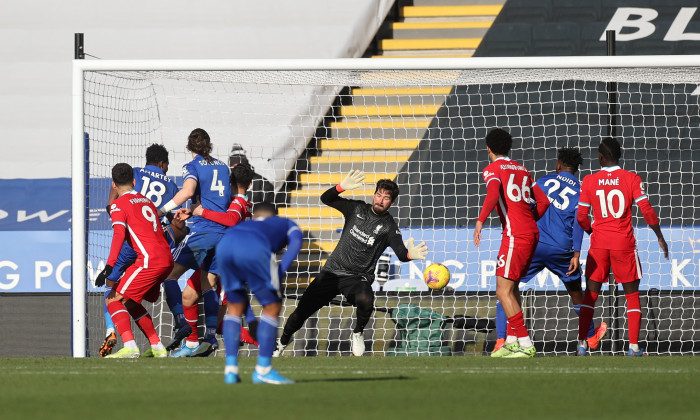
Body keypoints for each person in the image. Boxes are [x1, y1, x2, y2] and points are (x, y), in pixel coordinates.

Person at [275, 170, 428, 357]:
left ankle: (357, 333)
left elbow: (402, 254)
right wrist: (340, 187)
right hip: (331, 272)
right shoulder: (357, 209)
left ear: (392, 203)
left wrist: (409, 255)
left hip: (357, 277)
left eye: (385, 198)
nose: (380, 200)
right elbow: (326, 198)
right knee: (300, 314)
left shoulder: (389, 227)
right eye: (378, 195)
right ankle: (282, 342)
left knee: (366, 300)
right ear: (374, 195)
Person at [491, 148, 607, 357]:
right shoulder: (581, 191)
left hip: (534, 244)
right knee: (577, 294)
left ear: (559, 165)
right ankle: (589, 337)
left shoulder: (543, 181)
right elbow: (580, 222)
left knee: (508, 289)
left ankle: (502, 340)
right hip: (562, 249)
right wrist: (576, 253)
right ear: (576, 169)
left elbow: (527, 206)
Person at [576, 137, 668, 356]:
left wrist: (593, 232)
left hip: (598, 246)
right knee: (631, 294)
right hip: (623, 244)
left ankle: (582, 344)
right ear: (619, 156)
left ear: (600, 157)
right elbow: (646, 210)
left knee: (590, 294)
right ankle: (633, 347)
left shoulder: (590, 180)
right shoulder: (631, 179)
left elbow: (580, 217)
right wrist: (659, 236)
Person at [98, 144, 185, 357]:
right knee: (131, 300)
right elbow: (167, 228)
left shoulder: (120, 205)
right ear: (134, 183)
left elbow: (119, 235)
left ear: (114, 184)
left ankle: (128, 345)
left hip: (145, 259)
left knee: (112, 298)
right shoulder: (146, 201)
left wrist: (109, 266)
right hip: (165, 257)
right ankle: (157, 347)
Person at [473, 128, 549, 358]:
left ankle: (526, 344)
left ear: (488, 148)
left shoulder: (493, 169)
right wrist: (529, 219)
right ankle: (513, 341)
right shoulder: (522, 169)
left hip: (516, 235)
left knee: (502, 290)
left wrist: (480, 221)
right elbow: (543, 201)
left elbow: (493, 194)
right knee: (513, 287)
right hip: (530, 232)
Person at [169, 162, 256, 357]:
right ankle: (191, 344)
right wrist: (193, 212)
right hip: (221, 258)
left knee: (218, 324)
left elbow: (231, 220)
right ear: (250, 184)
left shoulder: (238, 203)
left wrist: (201, 211)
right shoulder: (238, 203)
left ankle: (267, 344)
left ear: (229, 181)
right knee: (188, 296)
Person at [157, 128, 232, 354]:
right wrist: (191, 211)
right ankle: (210, 337)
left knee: (169, 275)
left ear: (189, 148)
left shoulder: (192, 166)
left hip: (204, 232)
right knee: (207, 284)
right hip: (224, 234)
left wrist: (162, 210)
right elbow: (217, 201)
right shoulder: (223, 166)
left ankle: (181, 323)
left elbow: (188, 190)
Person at [217, 202, 303, 384]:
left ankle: (230, 371)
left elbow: (242, 291)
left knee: (234, 306)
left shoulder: (245, 224)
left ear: (254, 216)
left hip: (225, 245)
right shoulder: (284, 222)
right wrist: (280, 271)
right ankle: (263, 370)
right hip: (254, 247)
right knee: (272, 306)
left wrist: (250, 320)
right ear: (274, 216)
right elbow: (296, 240)